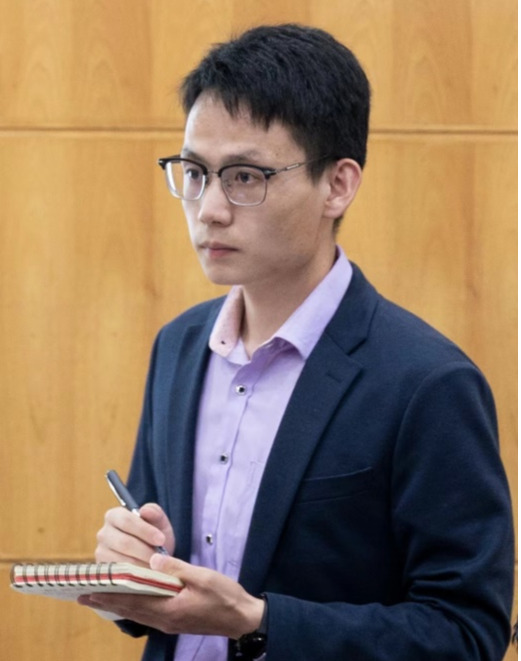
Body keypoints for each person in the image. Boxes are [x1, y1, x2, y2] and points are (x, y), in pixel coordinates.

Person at [79, 24, 514, 660]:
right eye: (194, 172)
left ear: (338, 185)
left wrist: (257, 622)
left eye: (245, 177)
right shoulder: (178, 346)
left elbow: (467, 634)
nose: (209, 208)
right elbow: (165, 585)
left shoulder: (428, 383)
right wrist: (132, 570)